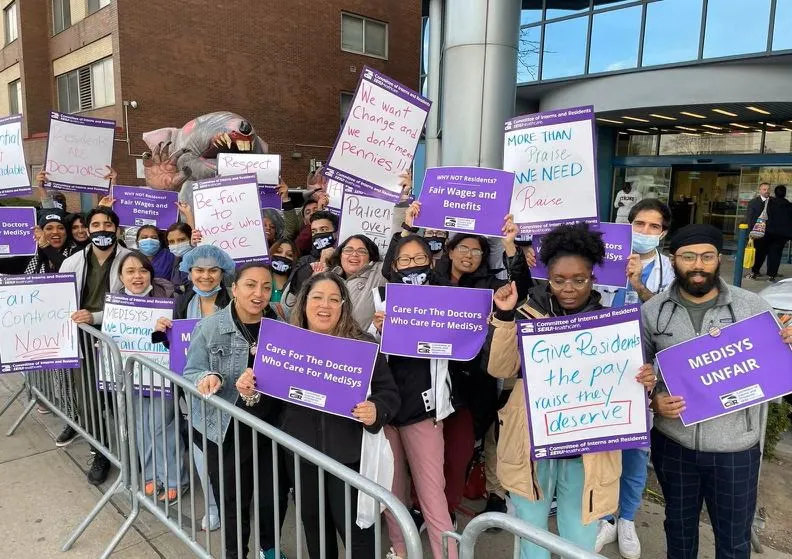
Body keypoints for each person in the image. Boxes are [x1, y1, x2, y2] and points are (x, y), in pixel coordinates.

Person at [485, 223, 656, 559]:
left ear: (593, 278)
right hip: (531, 447)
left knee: (579, 536)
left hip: (588, 453)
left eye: (579, 279)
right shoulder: (525, 315)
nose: (569, 288)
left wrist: (643, 380)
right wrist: (505, 317)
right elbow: (500, 370)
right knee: (531, 534)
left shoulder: (613, 326)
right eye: (559, 280)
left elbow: (627, 387)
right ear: (548, 277)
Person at [644, 223, 789, 559]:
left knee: (734, 538)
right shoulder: (652, 312)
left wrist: (788, 347)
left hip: (736, 448)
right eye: (689, 257)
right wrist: (653, 401)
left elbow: (776, 369)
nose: (698, 265)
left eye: (707, 256)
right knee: (678, 530)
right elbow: (638, 373)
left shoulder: (751, 306)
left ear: (718, 259)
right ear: (674, 259)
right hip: (674, 443)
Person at [395, 201, 528, 530]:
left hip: (469, 391)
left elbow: (518, 291)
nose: (470, 255)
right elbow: (393, 272)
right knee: (426, 459)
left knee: (457, 456)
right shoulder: (427, 281)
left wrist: (510, 244)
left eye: (477, 251)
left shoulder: (486, 289)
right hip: (426, 388)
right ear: (450, 251)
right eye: (464, 248)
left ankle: (447, 510)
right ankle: (418, 508)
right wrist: (408, 227)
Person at [269, 272, 400, 559]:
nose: (324, 305)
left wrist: (377, 409)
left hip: (348, 457)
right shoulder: (286, 343)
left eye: (333, 299)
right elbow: (267, 395)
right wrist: (250, 388)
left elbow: (389, 393)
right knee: (314, 530)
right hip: (302, 455)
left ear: (343, 306)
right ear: (304, 303)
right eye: (317, 297)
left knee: (358, 535)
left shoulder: (363, 346)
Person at [183, 262, 289, 559]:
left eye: (266, 287)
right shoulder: (210, 327)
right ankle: (235, 552)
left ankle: (269, 548)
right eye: (251, 285)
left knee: (273, 496)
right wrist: (208, 378)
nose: (259, 293)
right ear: (234, 288)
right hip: (226, 428)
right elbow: (191, 370)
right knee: (233, 499)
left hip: (271, 426)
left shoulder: (281, 323)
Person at [595, 198, 674, 557]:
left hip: (644, 372)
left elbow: (671, 318)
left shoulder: (669, 270)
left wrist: (639, 284)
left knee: (635, 450)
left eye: (654, 227)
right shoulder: (605, 253)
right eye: (639, 224)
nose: (645, 232)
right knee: (599, 447)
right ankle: (604, 518)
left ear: (664, 233)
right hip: (599, 367)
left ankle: (626, 518)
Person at [375, 233, 457, 559]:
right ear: (394, 266)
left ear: (431, 261)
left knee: (431, 492)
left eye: (418, 259)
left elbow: (462, 346)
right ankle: (400, 549)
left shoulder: (446, 298)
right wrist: (377, 331)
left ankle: (446, 555)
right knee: (392, 491)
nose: (412, 265)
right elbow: (367, 348)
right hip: (386, 408)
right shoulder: (381, 297)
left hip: (423, 409)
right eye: (404, 260)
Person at [152, 243, 236, 531]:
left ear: (222, 273)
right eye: (199, 270)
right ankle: (213, 505)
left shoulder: (233, 301)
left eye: (213, 270)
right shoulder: (183, 300)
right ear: (189, 272)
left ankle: (235, 504)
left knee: (232, 453)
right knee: (201, 451)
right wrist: (164, 332)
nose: (206, 276)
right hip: (193, 391)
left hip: (229, 389)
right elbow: (178, 348)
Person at [60, 206, 132, 485]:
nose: (102, 229)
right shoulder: (72, 262)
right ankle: (100, 452)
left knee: (120, 399)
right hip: (84, 339)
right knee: (89, 400)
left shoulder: (130, 260)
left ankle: (130, 452)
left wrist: (96, 316)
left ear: (117, 229)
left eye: (108, 224)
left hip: (119, 338)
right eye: (96, 225)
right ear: (87, 230)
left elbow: (133, 303)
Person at [115, 250, 186, 502]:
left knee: (160, 426)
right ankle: (150, 476)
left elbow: (182, 341)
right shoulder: (116, 303)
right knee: (140, 425)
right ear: (121, 276)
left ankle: (175, 478)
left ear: (150, 273)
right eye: (130, 271)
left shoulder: (168, 299)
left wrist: (169, 330)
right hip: (131, 376)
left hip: (161, 376)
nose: (137, 276)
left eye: (143, 270)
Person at [281, 209, 339, 311]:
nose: (318, 234)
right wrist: (322, 263)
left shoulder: (345, 261)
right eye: (314, 231)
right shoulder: (304, 262)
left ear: (336, 233)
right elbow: (288, 304)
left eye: (323, 230)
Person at [25, 209, 74, 274]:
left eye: (61, 228)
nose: (55, 232)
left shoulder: (76, 251)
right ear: (40, 232)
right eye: (49, 228)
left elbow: (70, 269)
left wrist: (46, 246)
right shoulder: (31, 254)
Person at [764, 185, 792, 282]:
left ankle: (769, 272)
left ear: (775, 193)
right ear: (785, 193)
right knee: (777, 253)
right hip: (783, 234)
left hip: (770, 232)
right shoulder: (789, 205)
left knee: (770, 252)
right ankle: (772, 274)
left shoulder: (770, 203)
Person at [747, 181, 772, 279]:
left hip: (768, 232)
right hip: (756, 232)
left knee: (763, 253)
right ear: (760, 190)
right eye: (764, 189)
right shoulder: (753, 202)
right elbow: (749, 218)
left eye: (768, 189)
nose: (767, 191)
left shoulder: (772, 202)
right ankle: (754, 271)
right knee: (756, 252)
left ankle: (757, 270)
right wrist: (750, 232)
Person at [268, 239, 299, 306]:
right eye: (278, 251)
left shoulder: (297, 286)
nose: (283, 256)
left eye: (290, 255)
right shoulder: (261, 280)